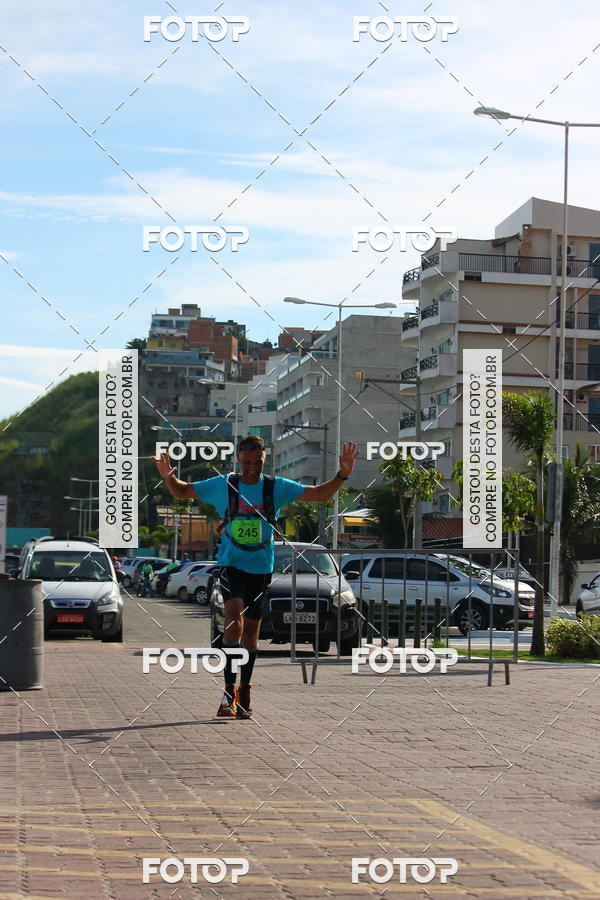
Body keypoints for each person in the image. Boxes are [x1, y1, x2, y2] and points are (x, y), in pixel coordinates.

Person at [154, 434, 359, 719]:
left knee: (251, 632)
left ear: (265, 459)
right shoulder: (225, 485)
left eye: (258, 462)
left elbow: (319, 494)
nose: (252, 467)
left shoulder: (275, 487)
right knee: (233, 618)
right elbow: (182, 491)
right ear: (239, 459)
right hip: (230, 564)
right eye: (247, 462)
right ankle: (228, 692)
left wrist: (342, 475)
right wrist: (167, 477)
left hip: (261, 567)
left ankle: (245, 690)